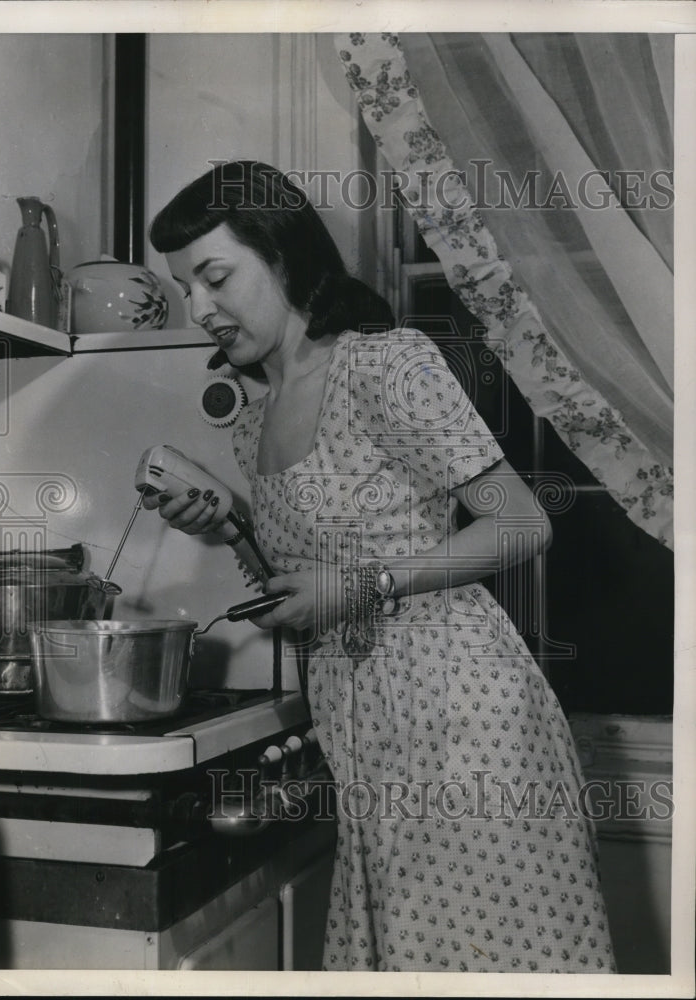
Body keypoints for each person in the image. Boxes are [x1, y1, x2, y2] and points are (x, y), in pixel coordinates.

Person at [146, 160, 616, 973]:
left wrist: (361, 584)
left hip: (461, 717)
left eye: (214, 277)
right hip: (358, 730)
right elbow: (305, 579)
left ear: (282, 256)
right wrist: (230, 527)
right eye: (186, 288)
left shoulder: (385, 363)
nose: (199, 308)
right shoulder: (251, 420)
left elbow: (520, 523)